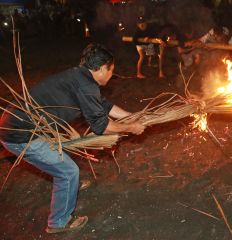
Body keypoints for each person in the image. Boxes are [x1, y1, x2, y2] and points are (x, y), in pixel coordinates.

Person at [0, 43, 146, 233]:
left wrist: (130, 116)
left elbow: (104, 105)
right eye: (111, 71)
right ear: (102, 68)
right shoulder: (86, 85)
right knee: (68, 172)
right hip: (20, 135)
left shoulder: (79, 76)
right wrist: (131, 128)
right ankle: (58, 222)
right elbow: (102, 126)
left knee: (62, 163)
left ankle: (69, 186)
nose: (111, 75)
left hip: (22, 126)